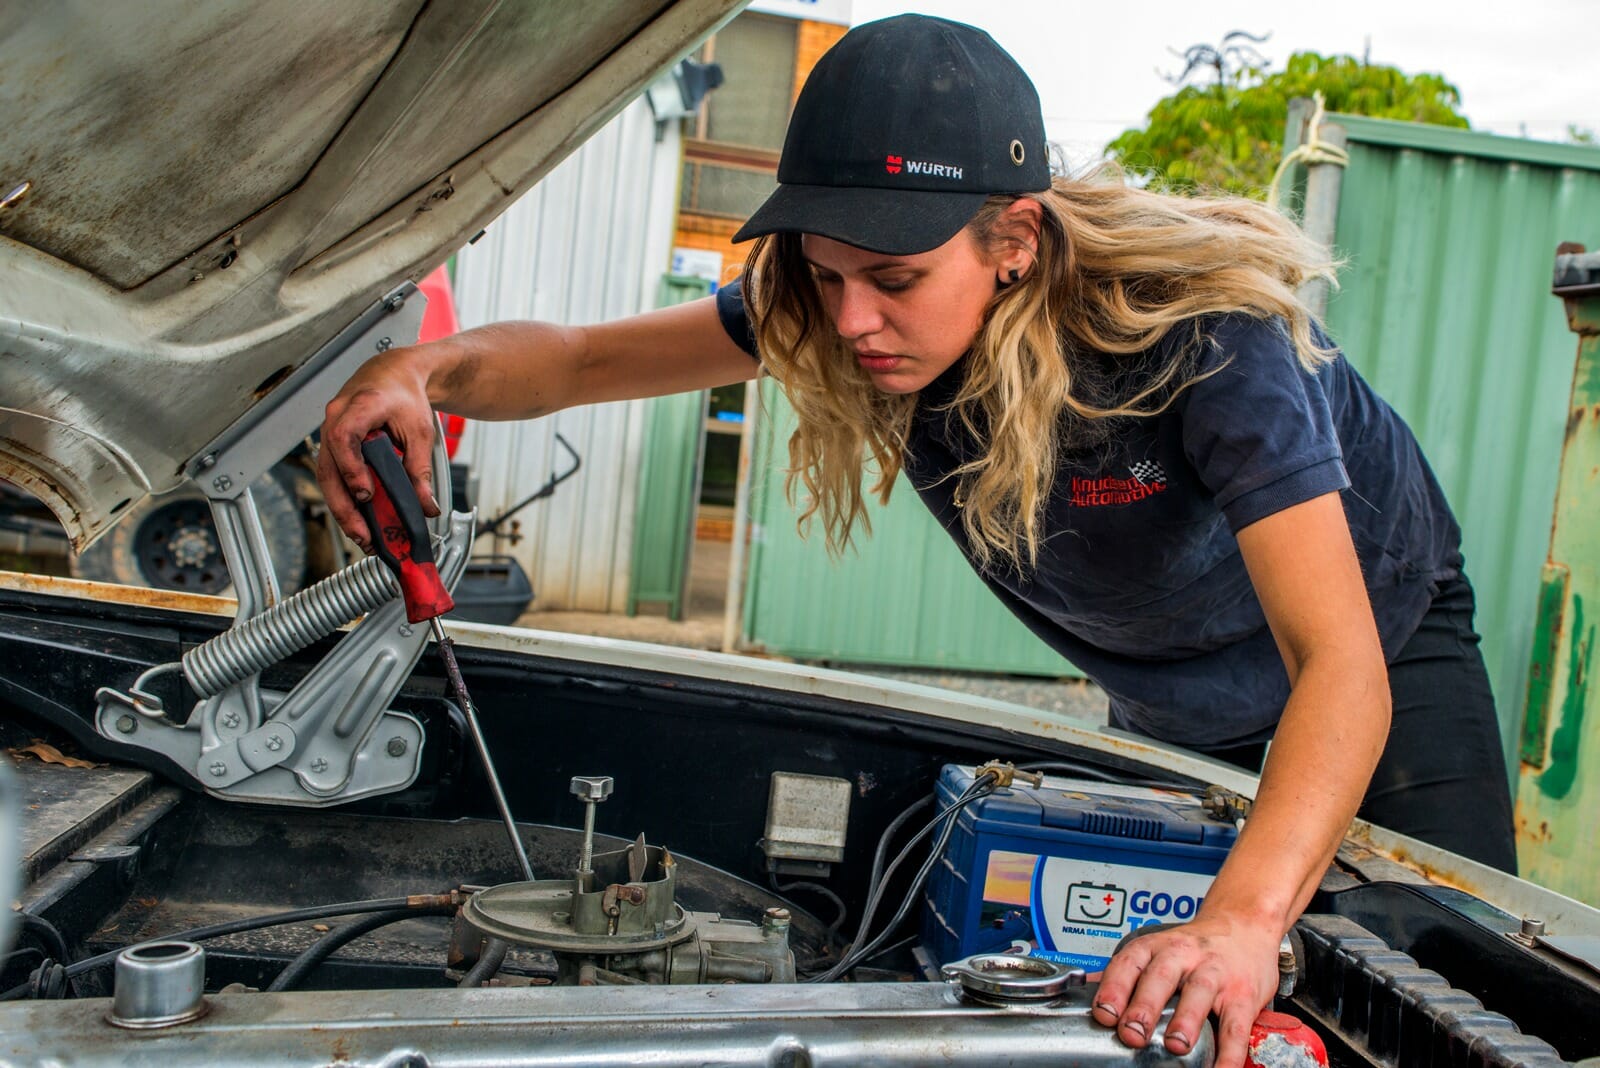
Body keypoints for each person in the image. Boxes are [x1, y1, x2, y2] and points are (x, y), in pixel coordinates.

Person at [317, 14, 1515, 1067]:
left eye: (892, 276)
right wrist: (420, 368)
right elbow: (582, 361)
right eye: (828, 272)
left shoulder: (1202, 343)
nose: (850, 321)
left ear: (1015, 241)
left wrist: (1245, 920)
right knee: (1151, 1015)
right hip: (1164, 703)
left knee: (1429, 1001)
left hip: (1379, 664)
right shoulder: (846, 310)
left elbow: (1337, 665)